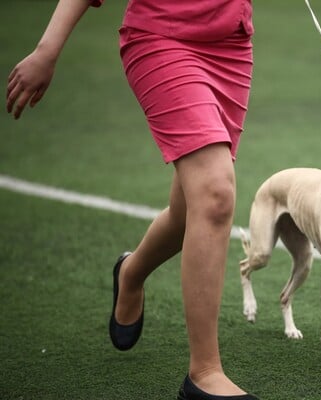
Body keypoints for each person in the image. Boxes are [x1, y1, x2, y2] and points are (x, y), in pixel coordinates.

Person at [6, 0, 259, 399]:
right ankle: (204, 373)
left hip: (229, 46)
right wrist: (47, 49)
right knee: (214, 194)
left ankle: (131, 272)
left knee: (188, 210)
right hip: (161, 38)